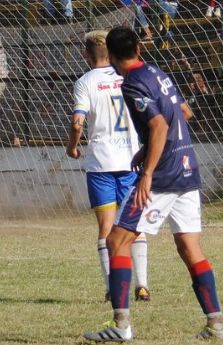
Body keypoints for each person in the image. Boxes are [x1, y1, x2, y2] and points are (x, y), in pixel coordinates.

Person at [84, 26, 223, 342]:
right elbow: (184, 113)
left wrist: (147, 172)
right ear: (138, 47)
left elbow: (159, 124)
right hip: (188, 168)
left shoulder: (133, 83)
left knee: (116, 242)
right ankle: (217, 324)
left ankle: (121, 327)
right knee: (190, 247)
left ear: (109, 55)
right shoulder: (158, 73)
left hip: (163, 176)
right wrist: (147, 146)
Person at [66, 30, 151, 304]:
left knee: (106, 227)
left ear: (85, 54)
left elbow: (78, 121)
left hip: (100, 163)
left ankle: (112, 288)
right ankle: (143, 285)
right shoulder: (129, 76)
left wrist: (72, 146)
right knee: (133, 224)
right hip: (131, 160)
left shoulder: (84, 82)